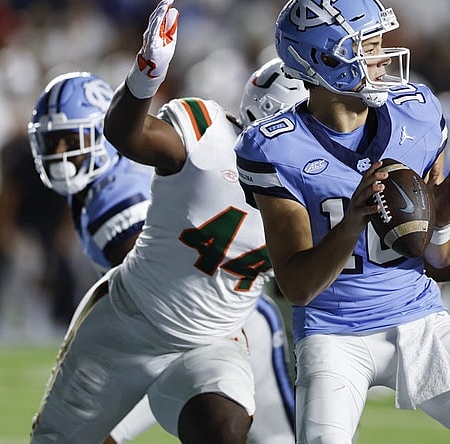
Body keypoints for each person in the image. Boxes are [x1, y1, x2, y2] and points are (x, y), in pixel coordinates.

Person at [234, 0, 450, 443]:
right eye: (368, 46)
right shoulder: (276, 148)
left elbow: (439, 257)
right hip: (333, 334)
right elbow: (298, 287)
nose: (383, 57)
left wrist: (439, 222)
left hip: (419, 317)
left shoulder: (417, 113)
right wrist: (351, 223)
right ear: (324, 58)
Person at [29, 1, 308, 442]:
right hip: (130, 321)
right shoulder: (206, 137)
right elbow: (125, 135)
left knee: (229, 429)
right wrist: (147, 74)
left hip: (215, 337)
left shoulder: (316, 194)